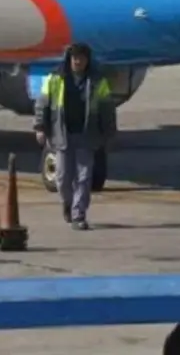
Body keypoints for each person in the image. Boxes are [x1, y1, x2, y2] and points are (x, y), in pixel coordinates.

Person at [34, 42, 116, 230]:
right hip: (62, 135)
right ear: (69, 59)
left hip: (87, 135)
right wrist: (40, 127)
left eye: (82, 58)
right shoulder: (55, 79)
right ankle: (68, 203)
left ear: (88, 60)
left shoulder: (98, 82)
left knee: (84, 176)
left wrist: (109, 132)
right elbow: (42, 105)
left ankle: (79, 214)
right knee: (62, 178)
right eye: (75, 58)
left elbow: (107, 108)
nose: (78, 61)